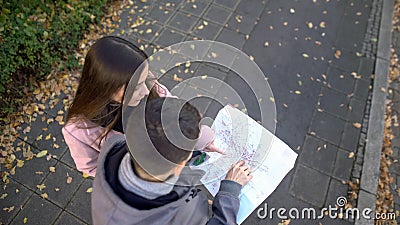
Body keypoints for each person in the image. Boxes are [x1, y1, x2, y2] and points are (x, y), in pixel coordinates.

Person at [62, 36, 222, 176]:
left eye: (145, 79)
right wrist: (131, 173)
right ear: (106, 87)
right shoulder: (78, 131)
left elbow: (175, 113)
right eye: (136, 87)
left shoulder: (147, 83)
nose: (146, 91)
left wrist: (200, 139)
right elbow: (90, 167)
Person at [91, 97, 253, 225]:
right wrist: (230, 190)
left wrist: (193, 143)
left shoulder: (114, 145)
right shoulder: (177, 216)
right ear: (180, 165)